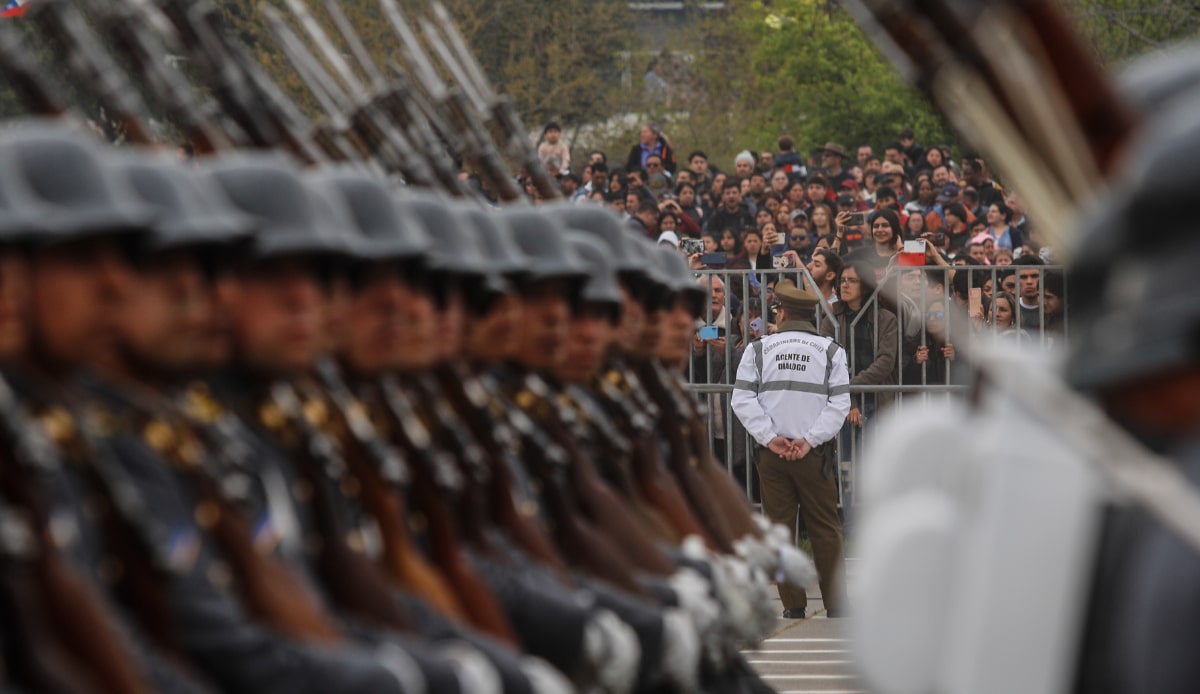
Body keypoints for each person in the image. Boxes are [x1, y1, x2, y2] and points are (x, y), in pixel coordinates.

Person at [731, 284, 851, 620]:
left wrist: (770, 438)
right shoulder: (831, 351)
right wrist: (809, 440)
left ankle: (793, 605)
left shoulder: (758, 349)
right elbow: (840, 404)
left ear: (780, 312)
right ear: (812, 315)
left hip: (772, 455)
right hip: (814, 455)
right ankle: (837, 604)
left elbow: (741, 399)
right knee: (825, 528)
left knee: (780, 528)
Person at [821, 261, 898, 424]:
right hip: (844, 404)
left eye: (852, 280)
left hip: (879, 400)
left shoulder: (885, 319)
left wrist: (849, 387)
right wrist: (850, 401)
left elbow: (885, 363)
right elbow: (828, 364)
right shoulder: (831, 320)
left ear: (865, 285)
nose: (845, 285)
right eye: (842, 280)